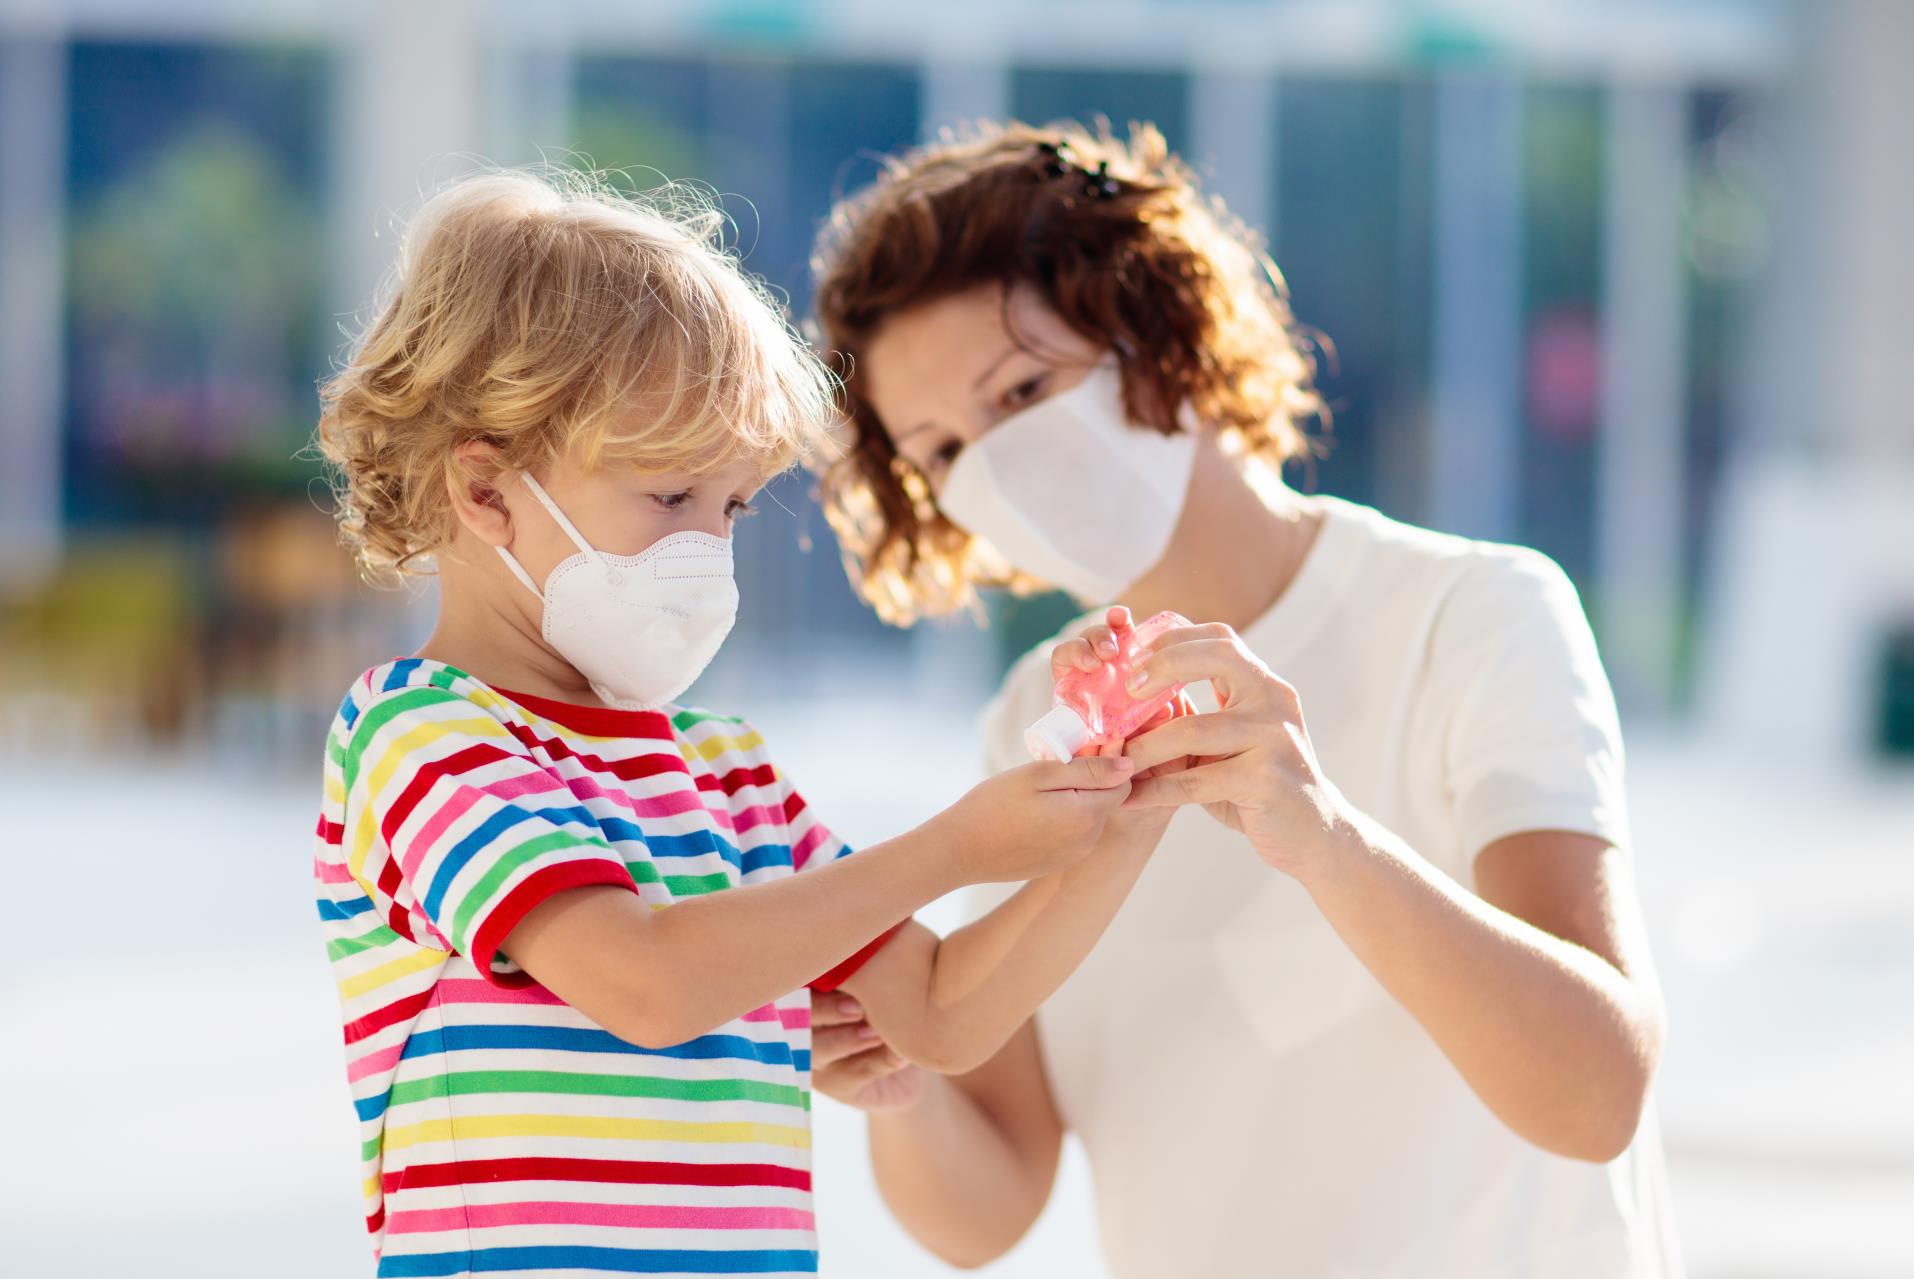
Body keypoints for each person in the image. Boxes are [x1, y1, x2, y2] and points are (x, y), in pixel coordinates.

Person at [806, 121, 1683, 1276]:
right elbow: (988, 1208)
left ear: (1156, 326)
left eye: (1022, 389)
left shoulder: (1470, 614)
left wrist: (1325, 840)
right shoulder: (1034, 714)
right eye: (945, 452)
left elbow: (1595, 1093)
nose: (995, 468)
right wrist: (899, 1078)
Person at [310, 168, 1188, 1279]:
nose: (707, 550)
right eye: (669, 497)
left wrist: (1130, 804)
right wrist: (958, 845)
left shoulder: (725, 772)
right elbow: (646, 982)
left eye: (728, 507)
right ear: (486, 495)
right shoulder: (419, 731)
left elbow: (936, 1012)